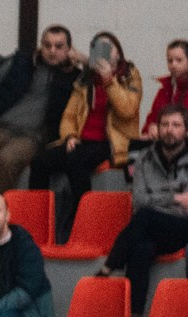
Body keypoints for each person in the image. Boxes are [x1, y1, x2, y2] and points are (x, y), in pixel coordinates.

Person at [26, 30, 141, 240]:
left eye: (109, 48)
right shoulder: (86, 78)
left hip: (112, 141)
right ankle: (36, 226)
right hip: (81, 139)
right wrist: (69, 135)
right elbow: (69, 115)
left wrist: (109, 81)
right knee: (40, 161)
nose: (104, 53)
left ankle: (82, 224)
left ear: (119, 53)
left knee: (75, 161)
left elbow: (128, 109)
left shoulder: (129, 75)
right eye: (99, 48)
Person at [101, 107, 188, 317]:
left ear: (187, 131)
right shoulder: (144, 159)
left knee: (146, 216)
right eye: (165, 124)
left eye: (176, 125)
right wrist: (174, 197)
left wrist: (158, 198)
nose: (169, 130)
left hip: (186, 226)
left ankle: (110, 265)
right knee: (141, 247)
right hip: (153, 226)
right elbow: (139, 201)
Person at [0, 24, 79, 195]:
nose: (52, 51)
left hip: (29, 137)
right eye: (47, 45)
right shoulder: (22, 63)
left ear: (69, 49)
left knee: (7, 160)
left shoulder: (74, 78)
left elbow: (97, 84)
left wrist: (83, 60)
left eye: (59, 46)